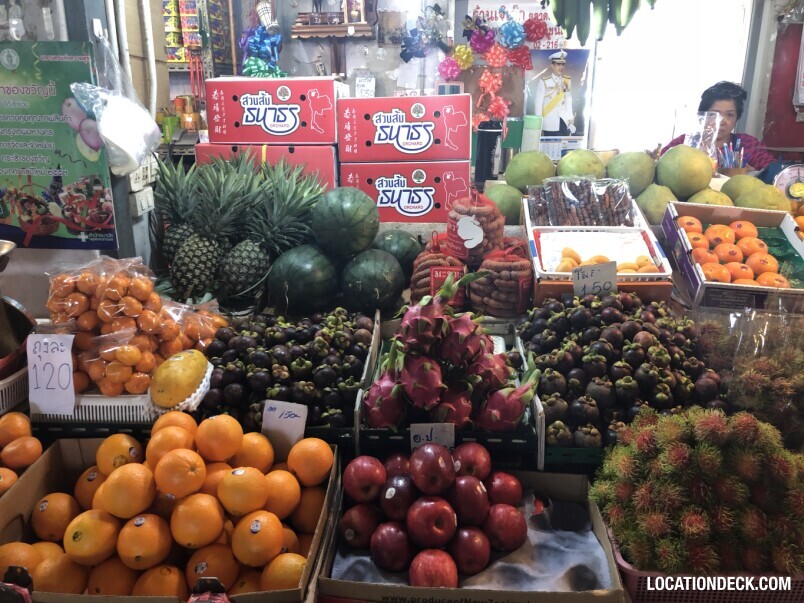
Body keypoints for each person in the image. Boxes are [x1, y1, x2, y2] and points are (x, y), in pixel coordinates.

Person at [661, 81, 775, 171]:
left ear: (737, 118)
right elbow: (660, 165)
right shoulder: (684, 143)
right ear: (702, 116)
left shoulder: (746, 145)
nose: (722, 121)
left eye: (730, 115)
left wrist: (754, 174)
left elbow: (774, 172)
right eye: (715, 114)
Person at [533, 50, 575, 137]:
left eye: (562, 64)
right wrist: (538, 122)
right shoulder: (544, 81)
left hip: (563, 120)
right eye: (558, 64)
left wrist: (570, 117)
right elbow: (538, 102)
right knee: (549, 144)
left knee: (563, 144)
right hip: (549, 121)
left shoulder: (566, 80)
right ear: (552, 66)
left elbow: (568, 99)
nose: (561, 67)